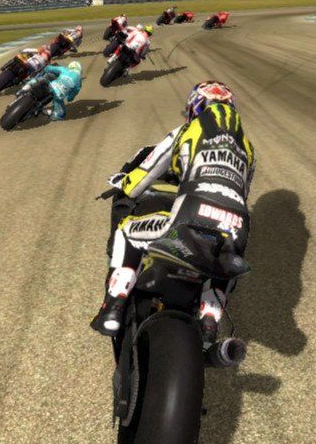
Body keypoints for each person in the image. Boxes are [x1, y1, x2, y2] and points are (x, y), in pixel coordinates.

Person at [91, 81, 255, 343]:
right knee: (224, 263)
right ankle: (210, 319)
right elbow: (243, 192)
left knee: (126, 232)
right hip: (237, 224)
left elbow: (140, 180)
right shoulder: (248, 148)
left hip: (189, 215)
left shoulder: (185, 131)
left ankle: (113, 306)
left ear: (195, 108)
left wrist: (123, 182)